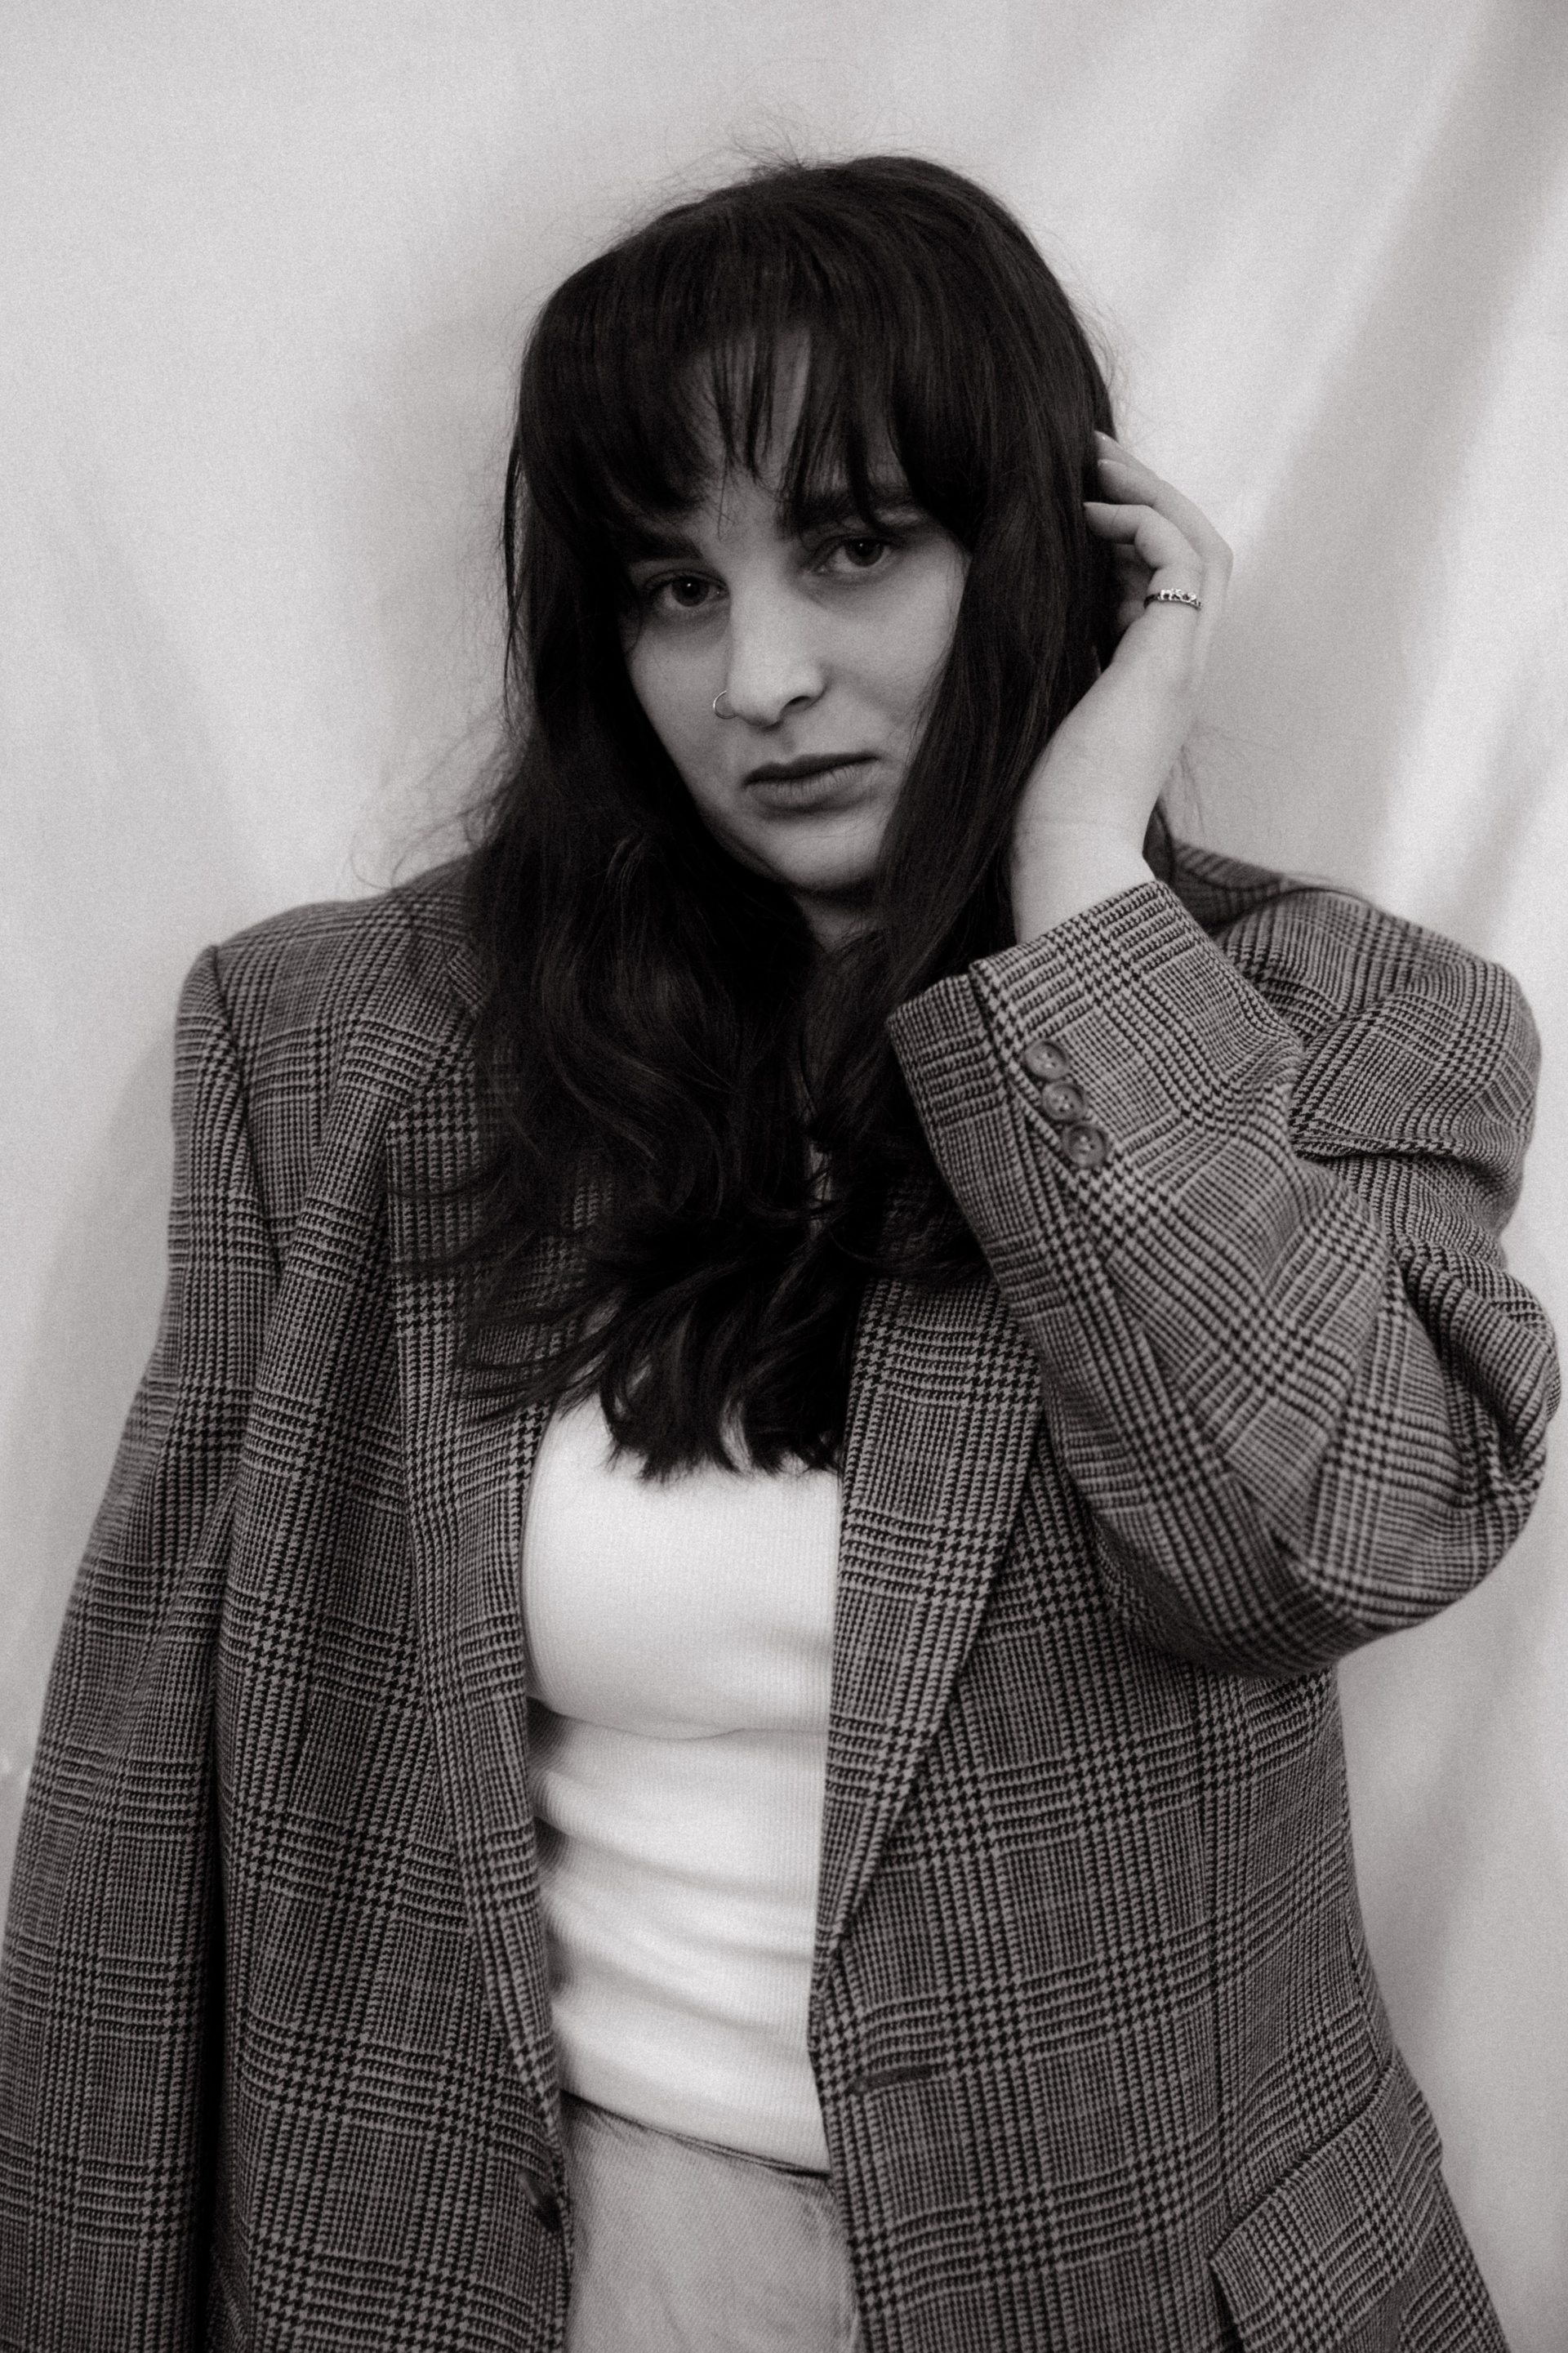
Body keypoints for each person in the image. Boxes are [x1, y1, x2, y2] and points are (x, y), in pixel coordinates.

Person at [0, 154, 1556, 2353]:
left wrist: (1079, 887)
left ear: (1043, 552)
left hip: (1128, 2285)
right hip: (517, 2279)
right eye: (674, 585)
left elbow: (1327, 1532)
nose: (763, 679)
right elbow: (143, 1790)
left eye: (853, 546)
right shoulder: (341, 1049)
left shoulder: (1328, 1021)